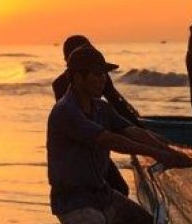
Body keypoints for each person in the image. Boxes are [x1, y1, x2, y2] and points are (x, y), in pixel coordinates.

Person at [47, 43, 192, 224]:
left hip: (101, 193)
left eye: (105, 74)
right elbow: (111, 140)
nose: (103, 80)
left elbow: (129, 130)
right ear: (78, 78)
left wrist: (167, 150)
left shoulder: (101, 108)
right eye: (97, 74)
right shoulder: (65, 112)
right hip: (74, 202)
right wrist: (156, 154)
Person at [52, 35, 141, 197]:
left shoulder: (97, 75)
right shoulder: (62, 88)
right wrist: (135, 129)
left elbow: (115, 102)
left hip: (97, 143)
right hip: (81, 148)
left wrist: (135, 126)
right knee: (114, 188)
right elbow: (77, 123)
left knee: (118, 189)